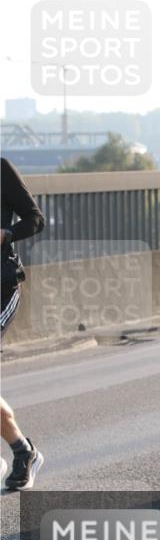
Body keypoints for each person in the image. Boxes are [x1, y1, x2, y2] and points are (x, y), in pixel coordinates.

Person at [1, 157, 46, 490]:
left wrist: (6, 234)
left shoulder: (1, 168)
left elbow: (35, 219)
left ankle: (22, 451)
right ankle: (22, 450)